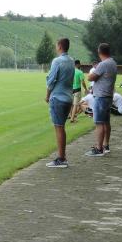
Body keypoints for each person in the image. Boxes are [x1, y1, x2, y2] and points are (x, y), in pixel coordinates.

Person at [44, 38, 75, 168]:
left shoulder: (57, 61)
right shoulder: (71, 61)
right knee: (61, 127)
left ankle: (61, 158)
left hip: (58, 98)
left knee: (59, 127)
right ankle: (62, 157)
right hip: (68, 97)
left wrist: (47, 96)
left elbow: (51, 80)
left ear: (60, 46)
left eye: (57, 45)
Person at [86, 43, 117, 156]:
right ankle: (106, 145)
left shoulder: (103, 64)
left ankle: (99, 149)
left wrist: (95, 71)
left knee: (99, 123)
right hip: (108, 95)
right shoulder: (113, 62)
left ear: (99, 52)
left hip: (101, 96)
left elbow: (90, 77)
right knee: (106, 122)